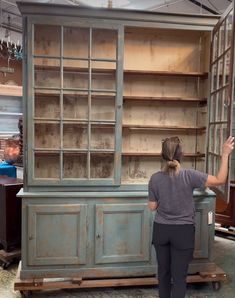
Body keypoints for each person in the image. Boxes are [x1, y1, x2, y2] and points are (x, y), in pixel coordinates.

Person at [148, 136, 234, 298]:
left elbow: (152, 207)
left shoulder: (155, 178)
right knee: (179, 277)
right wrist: (225, 154)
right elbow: (220, 180)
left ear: (163, 155)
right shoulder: (190, 175)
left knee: (164, 274)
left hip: (161, 231)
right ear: (181, 155)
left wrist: (165, 199)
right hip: (183, 232)